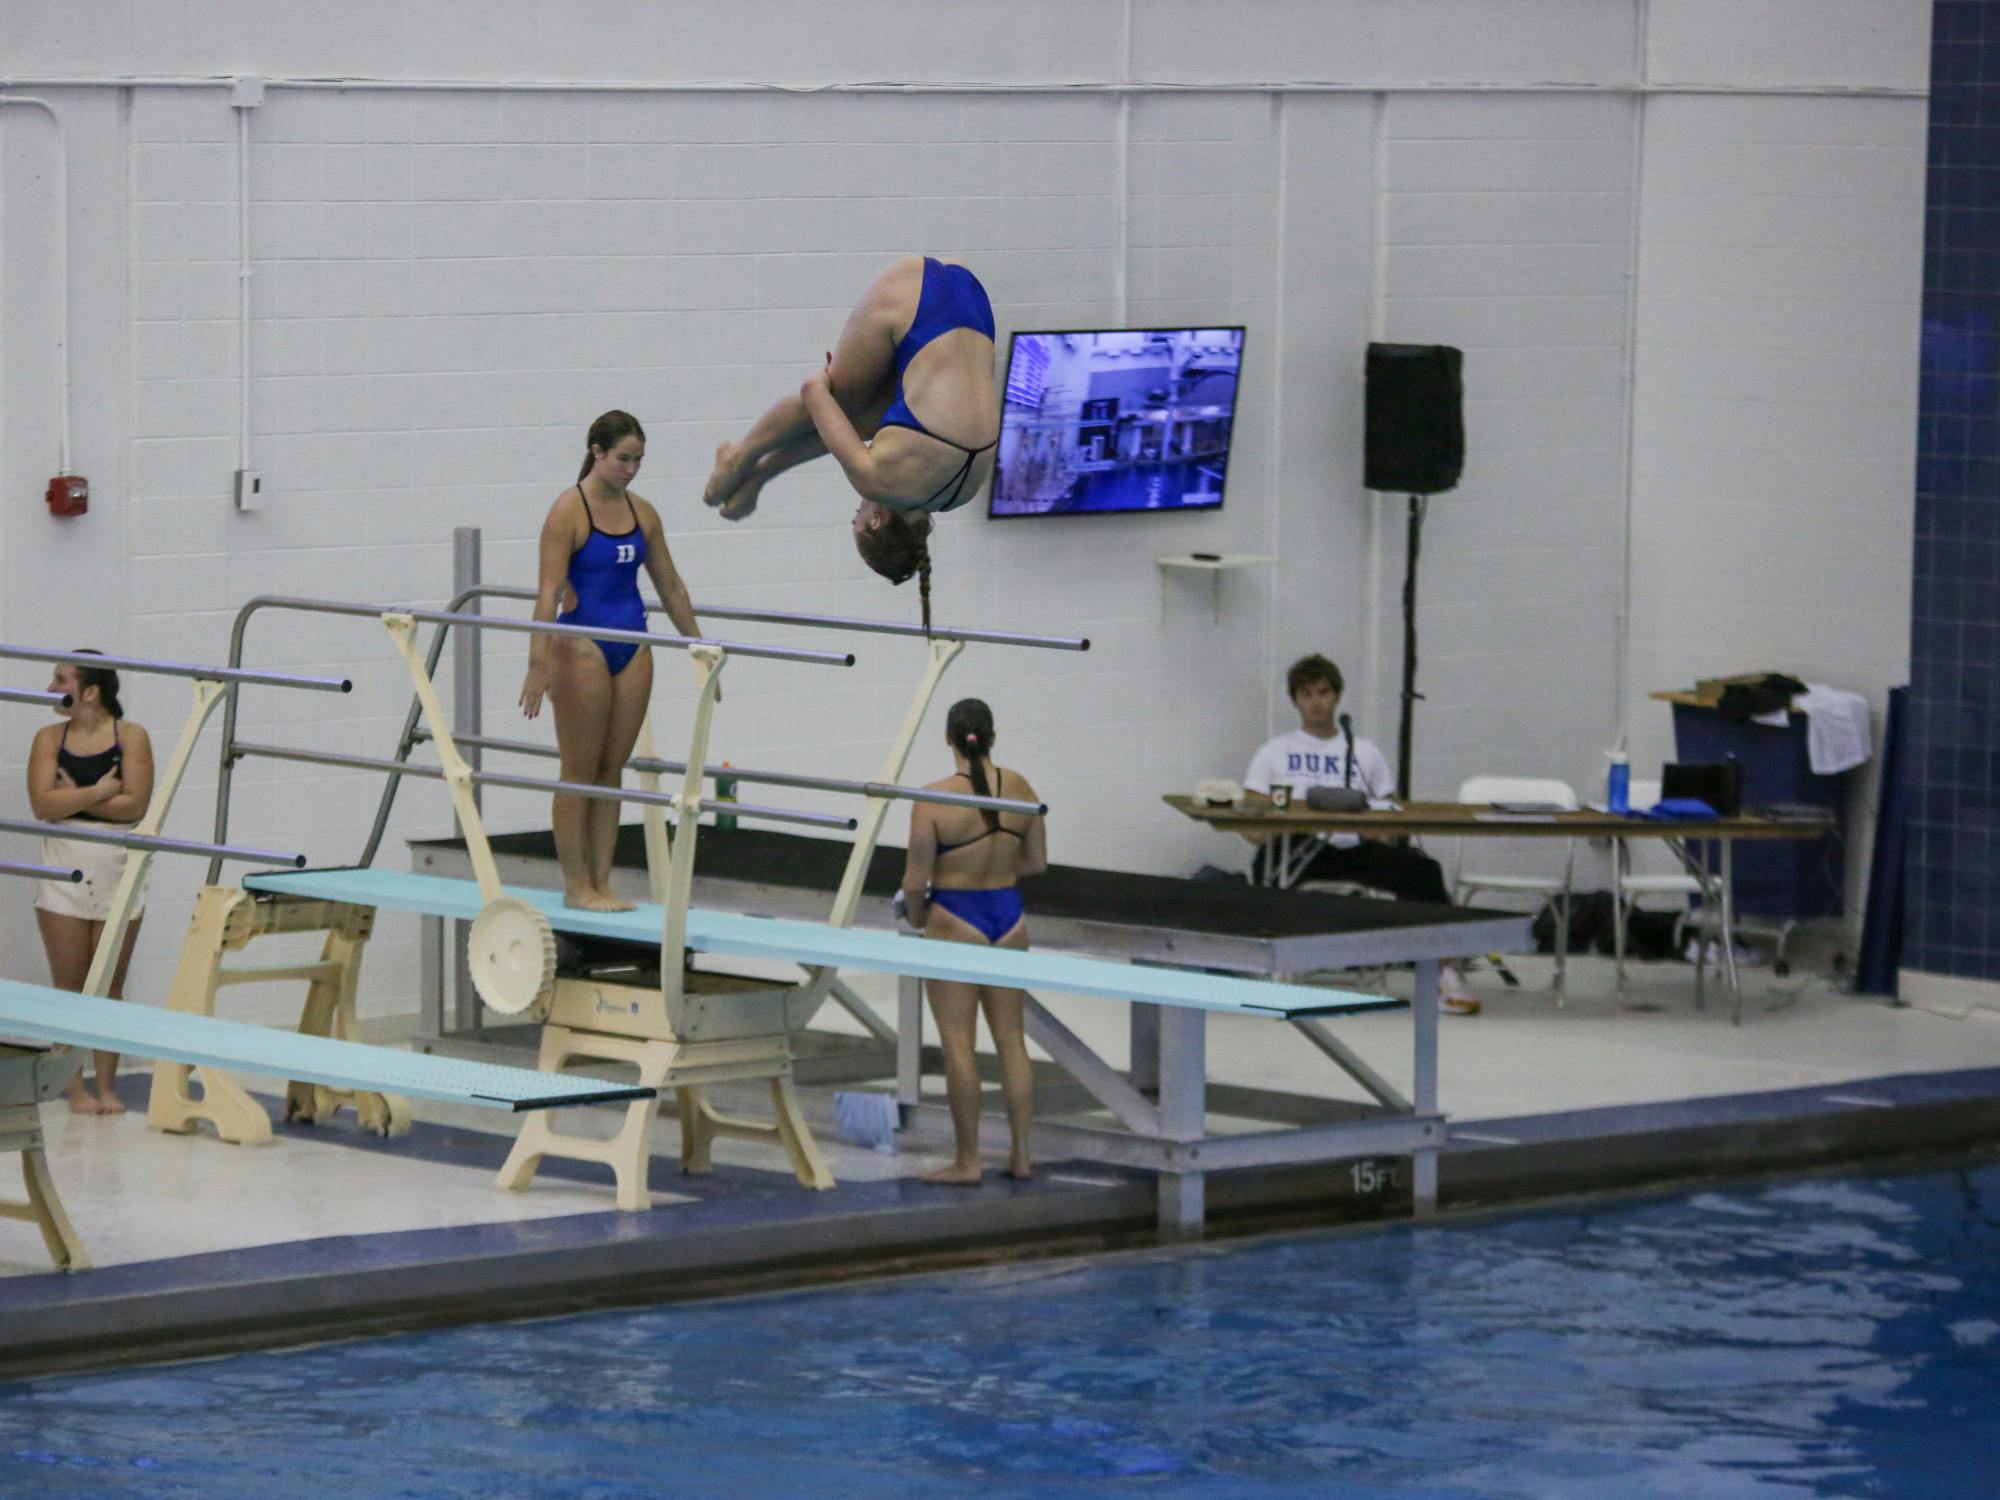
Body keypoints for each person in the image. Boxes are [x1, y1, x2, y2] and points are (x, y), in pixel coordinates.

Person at [702, 255, 1000, 621]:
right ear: (876, 522)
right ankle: (739, 458)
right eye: (856, 519)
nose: (858, 509)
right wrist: (833, 378)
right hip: (916, 293)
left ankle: (758, 472)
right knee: (842, 403)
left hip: (972, 297)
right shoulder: (879, 481)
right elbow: (813, 391)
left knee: (861, 424)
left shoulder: (960, 494)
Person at [521, 410, 702, 912]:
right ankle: (576, 884)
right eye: (623, 459)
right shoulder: (568, 511)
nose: (631, 469)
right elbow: (549, 591)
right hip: (581, 645)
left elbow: (671, 585)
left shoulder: (644, 513)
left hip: (633, 643)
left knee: (611, 768)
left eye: (638, 460)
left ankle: (601, 882)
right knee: (578, 769)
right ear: (597, 453)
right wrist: (537, 664)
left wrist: (698, 645)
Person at [1242, 654, 1480, 1014]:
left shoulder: (1363, 751)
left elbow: (1389, 811)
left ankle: (1442, 972)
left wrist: (1378, 831)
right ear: (1295, 700)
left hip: (1353, 847)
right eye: (1307, 694)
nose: (1316, 702)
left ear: (1337, 697)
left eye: (1323, 692)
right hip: (1300, 847)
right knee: (1264, 868)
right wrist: (1277, 826)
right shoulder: (1275, 751)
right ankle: (1267, 967)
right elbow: (1252, 817)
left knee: (1423, 871)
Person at [899, 698, 1046, 1184]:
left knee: (959, 1046)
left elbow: (915, 881)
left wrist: (919, 919)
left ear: (948, 738)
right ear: (992, 738)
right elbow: (1036, 863)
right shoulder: (1022, 787)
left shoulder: (934, 798)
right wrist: (996, 868)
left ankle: (968, 1161)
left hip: (954, 919)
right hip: (1008, 918)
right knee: (1012, 1044)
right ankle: (1022, 1157)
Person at [27, 653, 155, 1113]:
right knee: (70, 985)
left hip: (117, 866)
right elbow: (43, 805)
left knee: (109, 987)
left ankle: (106, 1087)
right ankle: (75, 1087)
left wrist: (75, 798)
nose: (49, 687)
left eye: (60, 679)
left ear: (91, 691)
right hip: (63, 867)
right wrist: (102, 792)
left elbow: (137, 807)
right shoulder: (48, 738)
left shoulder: (132, 737)